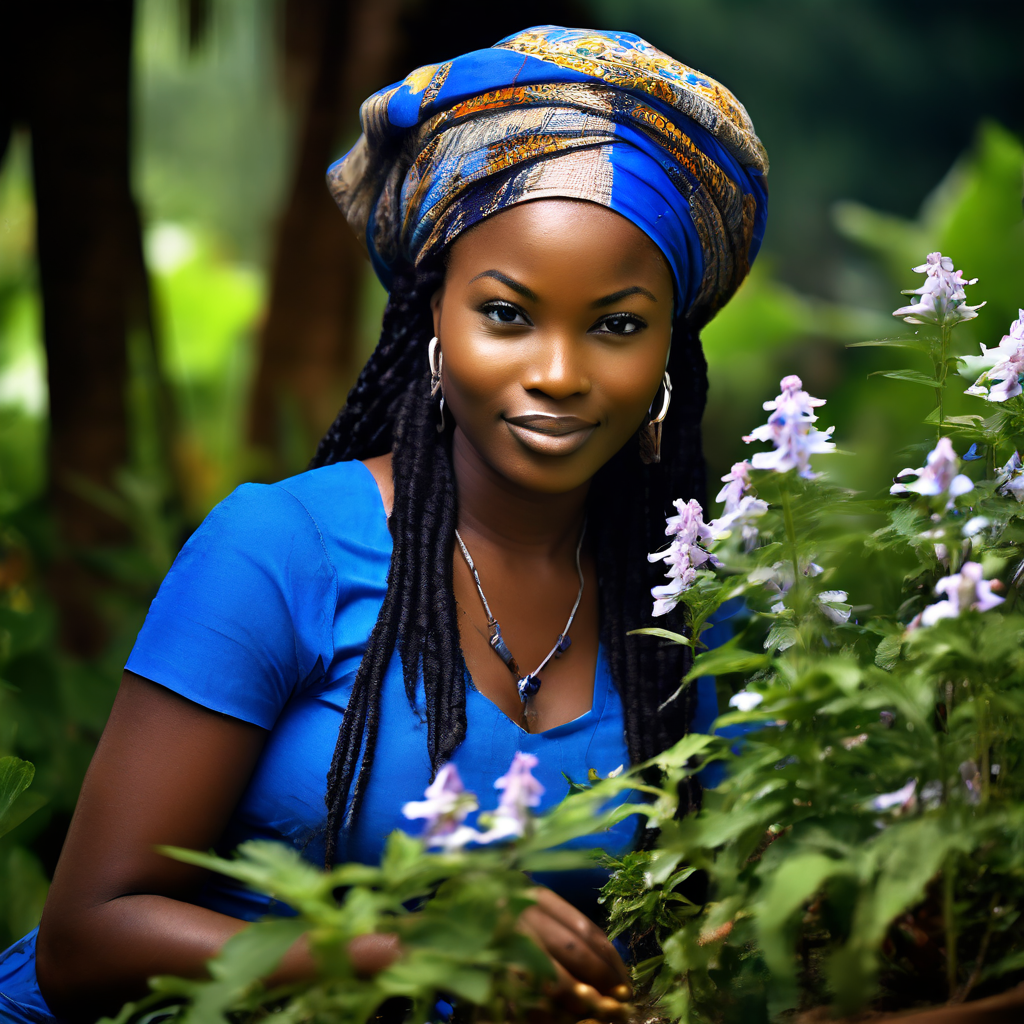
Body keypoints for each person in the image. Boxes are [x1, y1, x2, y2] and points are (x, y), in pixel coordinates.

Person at [0, 25, 767, 1024]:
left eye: (615, 325)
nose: (559, 373)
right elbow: (86, 939)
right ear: (432, 320)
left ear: (672, 349)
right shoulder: (281, 551)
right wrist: (414, 952)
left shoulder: (690, 611)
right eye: (507, 313)